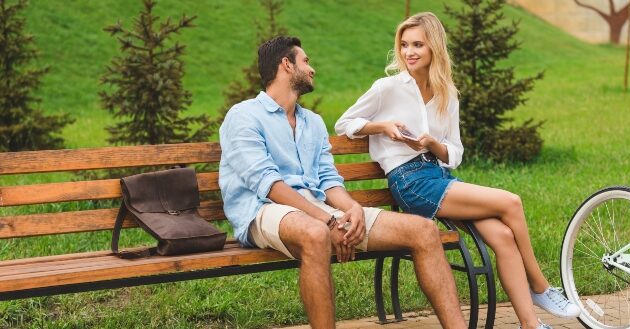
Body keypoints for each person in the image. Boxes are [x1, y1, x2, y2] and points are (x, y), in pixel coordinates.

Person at [334, 13, 580, 329]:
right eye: (405, 45)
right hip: (410, 182)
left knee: (503, 236)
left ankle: (530, 324)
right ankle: (541, 286)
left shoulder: (447, 93)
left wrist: (432, 144)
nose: (409, 52)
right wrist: (383, 126)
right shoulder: (388, 88)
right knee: (512, 202)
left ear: (434, 47)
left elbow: (455, 153)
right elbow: (345, 123)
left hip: (438, 176)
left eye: (418, 45)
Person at [219, 36, 466, 329]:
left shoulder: (312, 122)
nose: (312, 69)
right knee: (315, 234)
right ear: (286, 65)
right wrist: (328, 223)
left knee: (424, 230)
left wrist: (352, 209)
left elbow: (327, 180)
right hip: (263, 210)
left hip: (317, 210)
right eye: (306, 61)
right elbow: (270, 185)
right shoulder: (243, 116)